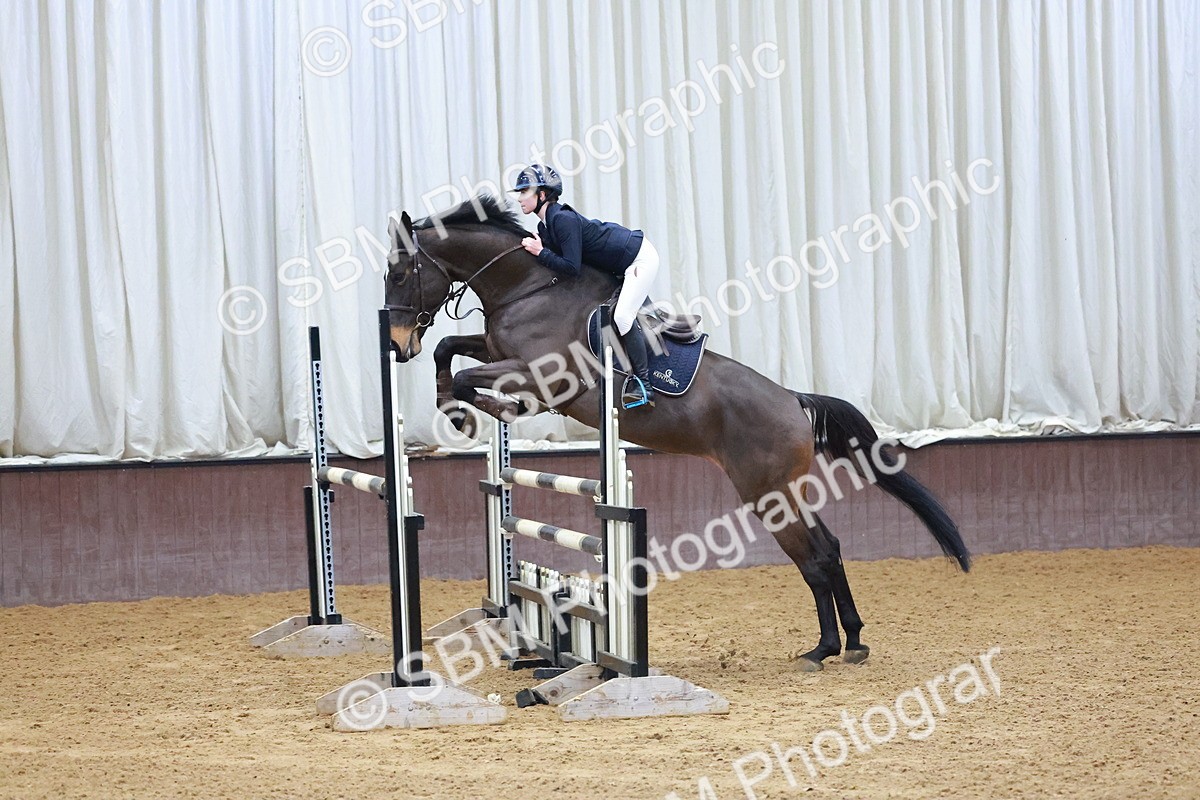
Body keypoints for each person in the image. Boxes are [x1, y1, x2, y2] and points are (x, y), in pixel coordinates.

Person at [510, 164, 659, 408]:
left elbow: (571, 267)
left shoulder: (562, 219)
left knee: (622, 317)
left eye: (525, 191)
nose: (520, 198)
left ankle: (643, 385)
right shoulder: (544, 225)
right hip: (619, 263)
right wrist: (541, 250)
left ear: (543, 195)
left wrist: (540, 252)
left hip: (639, 257)